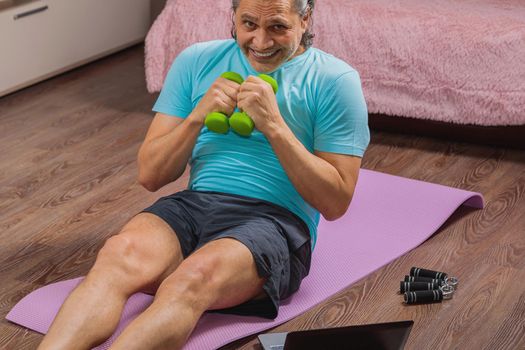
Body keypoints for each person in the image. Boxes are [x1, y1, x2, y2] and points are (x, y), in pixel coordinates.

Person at [38, 0, 370, 349]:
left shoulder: (335, 80)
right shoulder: (196, 61)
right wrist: (198, 115)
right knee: (118, 254)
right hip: (195, 204)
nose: (260, 41)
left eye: (277, 27)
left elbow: (335, 202)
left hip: (276, 220)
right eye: (249, 23)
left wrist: (274, 126)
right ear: (234, 17)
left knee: (190, 280)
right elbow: (151, 174)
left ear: (305, 19)